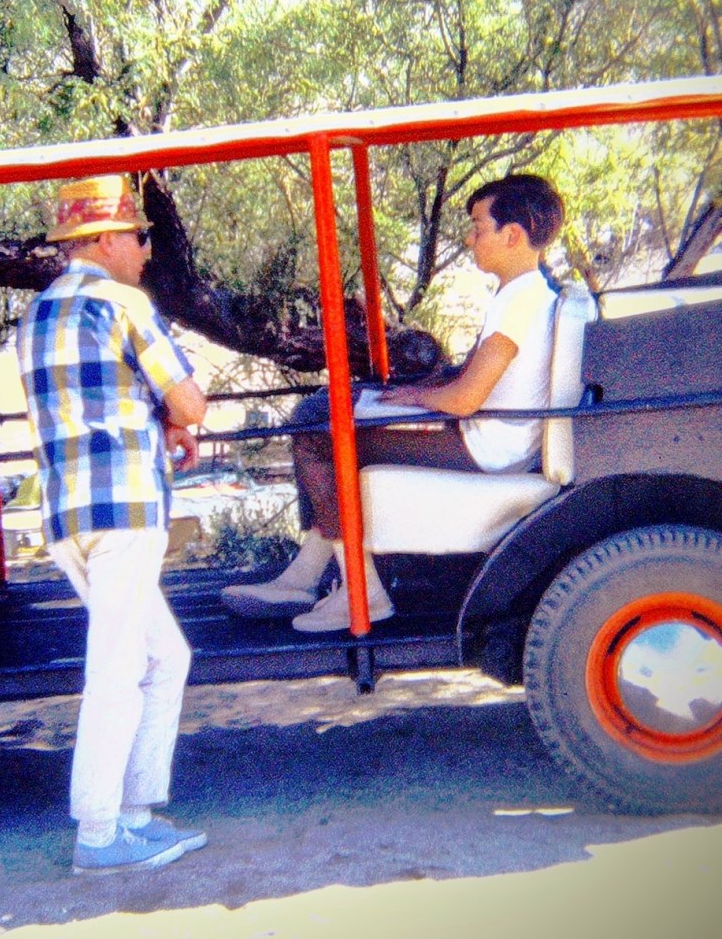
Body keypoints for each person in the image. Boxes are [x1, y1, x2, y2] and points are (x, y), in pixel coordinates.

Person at [223, 173, 566, 633]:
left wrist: (419, 397)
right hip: (491, 438)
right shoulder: (527, 293)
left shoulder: (519, 303)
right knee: (326, 420)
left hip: (486, 449)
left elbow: (466, 399)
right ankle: (302, 578)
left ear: (513, 234)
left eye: (478, 227)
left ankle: (363, 592)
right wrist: (415, 395)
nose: (470, 239)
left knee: (319, 438)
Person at [18, 174, 208, 875]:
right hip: (125, 508)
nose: (144, 250)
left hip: (68, 513)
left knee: (166, 656)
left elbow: (97, 396)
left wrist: (160, 416)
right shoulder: (123, 303)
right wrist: (177, 416)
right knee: (119, 670)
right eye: (136, 235)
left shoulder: (37, 314)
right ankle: (99, 834)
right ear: (101, 240)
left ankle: (136, 814)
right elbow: (190, 403)